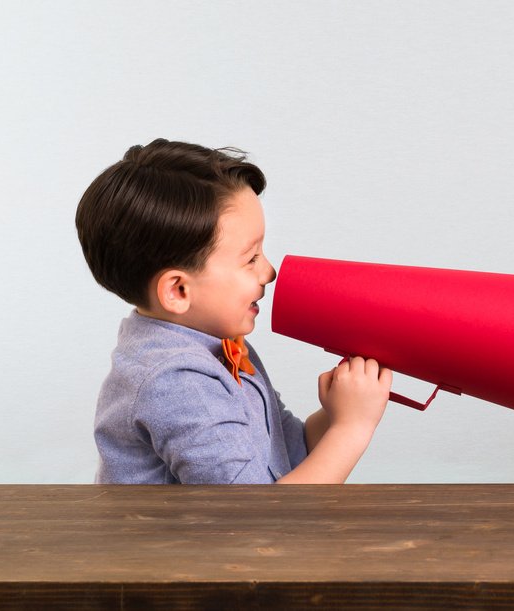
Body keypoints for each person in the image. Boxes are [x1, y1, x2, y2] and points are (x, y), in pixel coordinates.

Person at [77, 139, 394, 483]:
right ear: (178, 290)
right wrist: (352, 427)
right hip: (205, 538)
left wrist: (335, 414)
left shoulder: (215, 344)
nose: (269, 271)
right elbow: (255, 518)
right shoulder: (177, 381)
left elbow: (285, 456)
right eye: (251, 259)